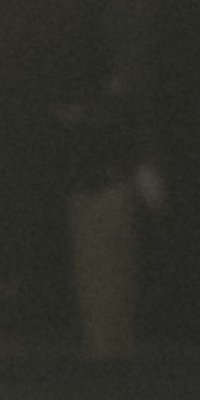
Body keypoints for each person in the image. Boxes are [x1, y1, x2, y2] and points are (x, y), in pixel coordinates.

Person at [57, 71, 165, 367]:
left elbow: (130, 149)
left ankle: (109, 345)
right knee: (105, 271)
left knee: (107, 271)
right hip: (98, 192)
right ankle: (107, 345)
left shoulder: (112, 110)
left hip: (105, 193)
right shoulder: (104, 108)